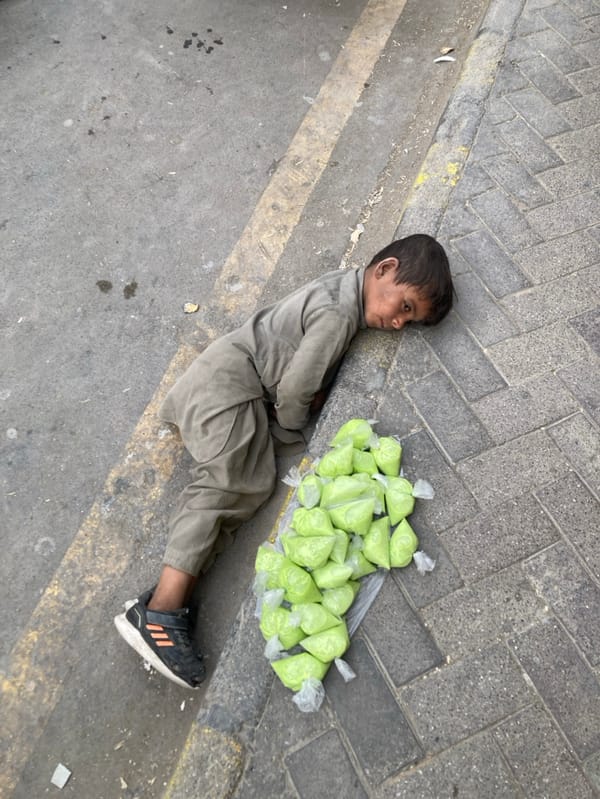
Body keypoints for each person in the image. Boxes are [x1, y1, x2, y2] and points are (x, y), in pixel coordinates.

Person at [114, 233, 454, 688]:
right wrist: (296, 432)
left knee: (253, 483)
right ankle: (160, 612)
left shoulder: (345, 290)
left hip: (231, 384)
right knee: (228, 482)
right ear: (385, 269)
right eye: (405, 307)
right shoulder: (338, 315)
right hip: (225, 388)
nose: (398, 324)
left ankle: (175, 590)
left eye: (409, 322)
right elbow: (294, 391)